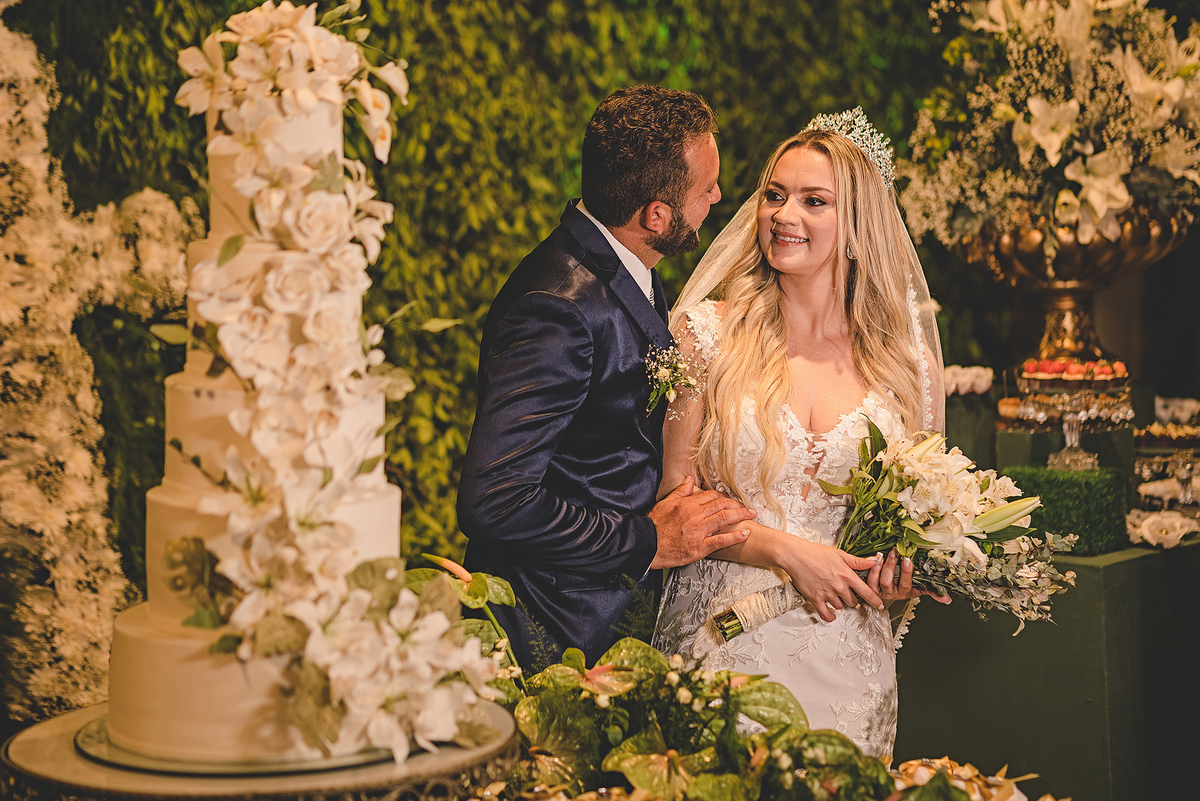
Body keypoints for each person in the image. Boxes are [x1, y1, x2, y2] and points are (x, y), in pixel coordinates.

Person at [651, 109, 947, 761]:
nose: (784, 215)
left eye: (814, 201)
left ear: (858, 225)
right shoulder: (704, 337)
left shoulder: (909, 368)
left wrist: (897, 572)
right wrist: (788, 552)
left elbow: (915, 521)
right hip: (722, 648)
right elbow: (674, 506)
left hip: (849, 662)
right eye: (775, 196)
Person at [458, 85, 756, 674]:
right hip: (553, 634)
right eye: (706, 189)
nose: (718, 197)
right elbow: (495, 501)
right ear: (656, 216)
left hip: (605, 621)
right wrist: (647, 541)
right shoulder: (558, 308)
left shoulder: (624, 263)